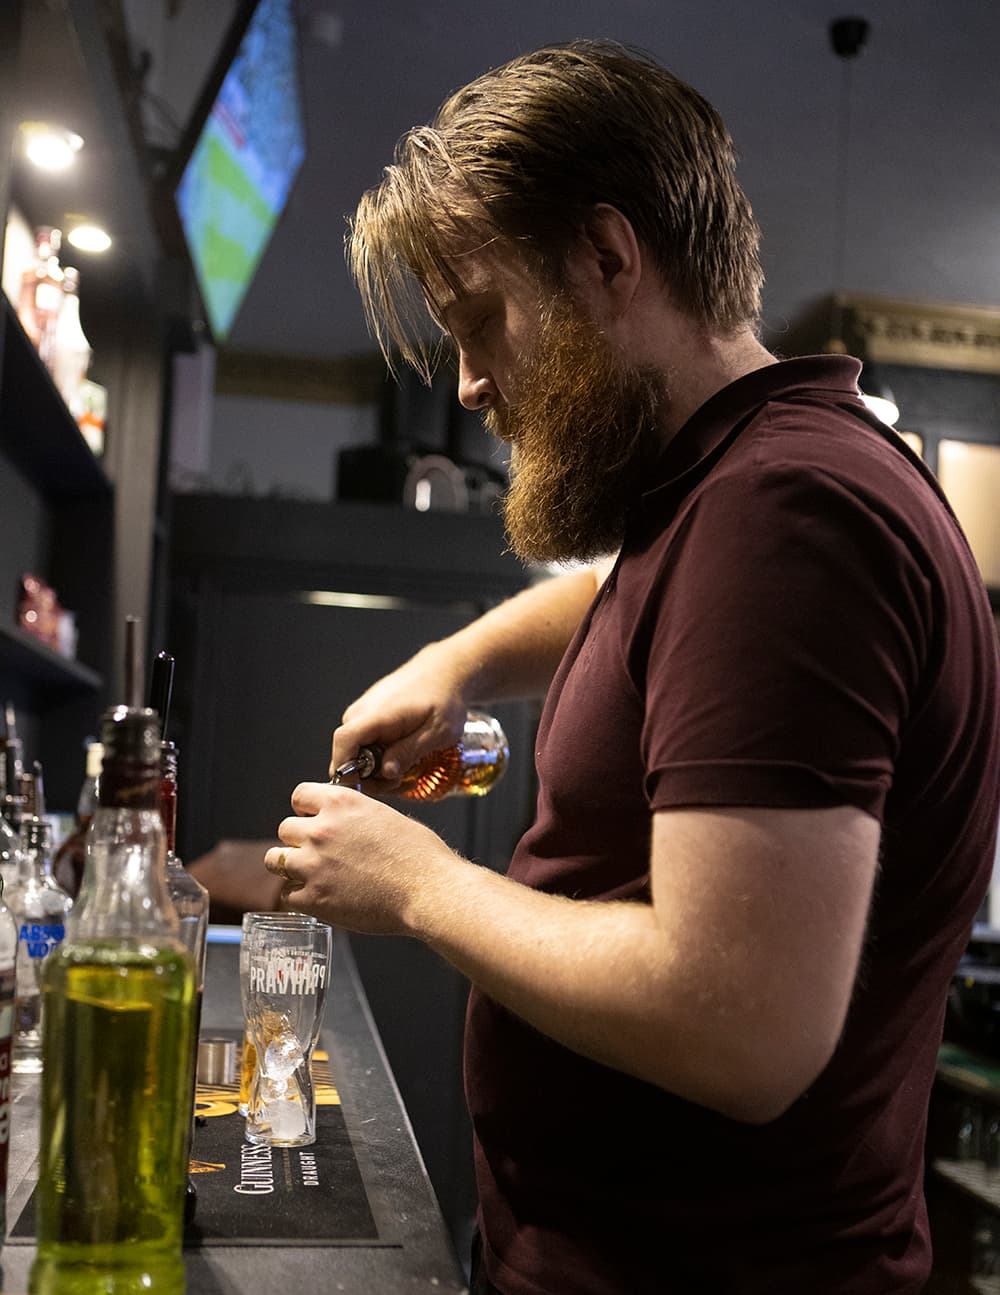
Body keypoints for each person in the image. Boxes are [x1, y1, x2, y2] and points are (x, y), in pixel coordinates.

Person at [264, 39, 1000, 1294]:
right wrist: (461, 657)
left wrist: (417, 885)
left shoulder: (787, 515)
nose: (475, 382)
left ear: (609, 257)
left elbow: (741, 1025)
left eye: (482, 317)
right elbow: (628, 588)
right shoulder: (747, 487)